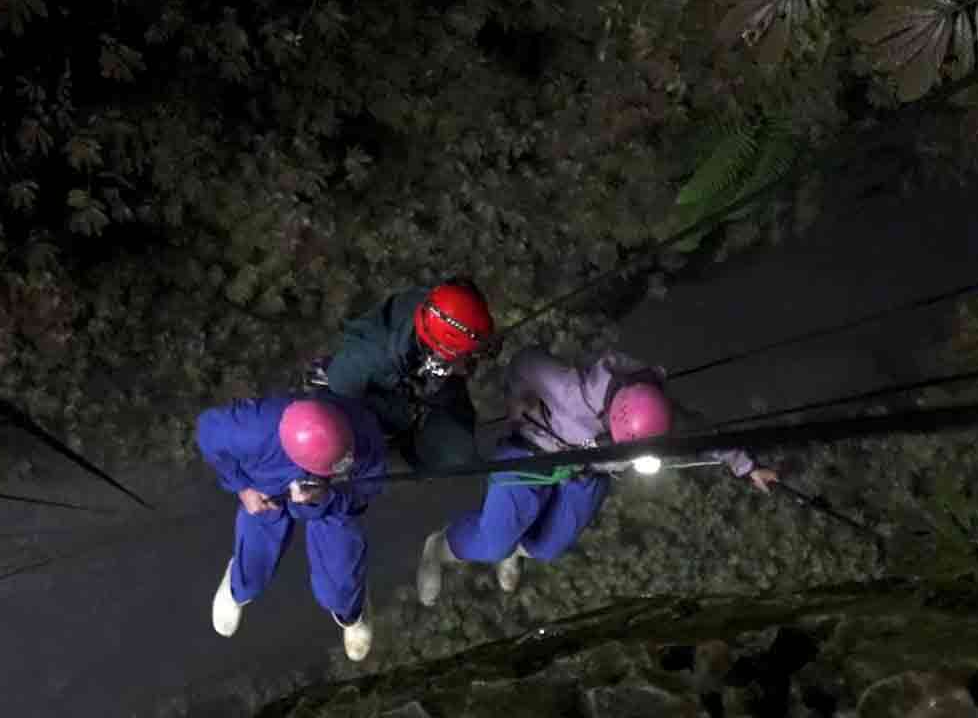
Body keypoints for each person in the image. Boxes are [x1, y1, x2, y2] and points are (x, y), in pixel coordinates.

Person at [415, 346, 778, 605]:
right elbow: (526, 361)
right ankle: (441, 547)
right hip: (532, 449)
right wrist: (517, 399)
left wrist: (747, 466)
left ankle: (515, 546)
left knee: (547, 546)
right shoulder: (574, 393)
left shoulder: (660, 415)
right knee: (495, 542)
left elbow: (698, 435)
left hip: (588, 469)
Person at [196, 392, 387, 661]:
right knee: (253, 560)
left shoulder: (363, 433)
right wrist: (242, 487)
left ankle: (351, 613)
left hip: (331, 499)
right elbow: (207, 431)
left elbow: (368, 488)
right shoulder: (250, 428)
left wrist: (327, 495)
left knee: (340, 579)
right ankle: (239, 588)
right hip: (265, 486)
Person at [315, 278, 496, 473]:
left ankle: (420, 446)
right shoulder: (365, 359)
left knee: (460, 453)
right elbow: (338, 400)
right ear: (442, 349)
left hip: (419, 381)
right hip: (380, 399)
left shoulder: (444, 306)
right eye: (467, 357)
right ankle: (402, 442)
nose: (470, 365)